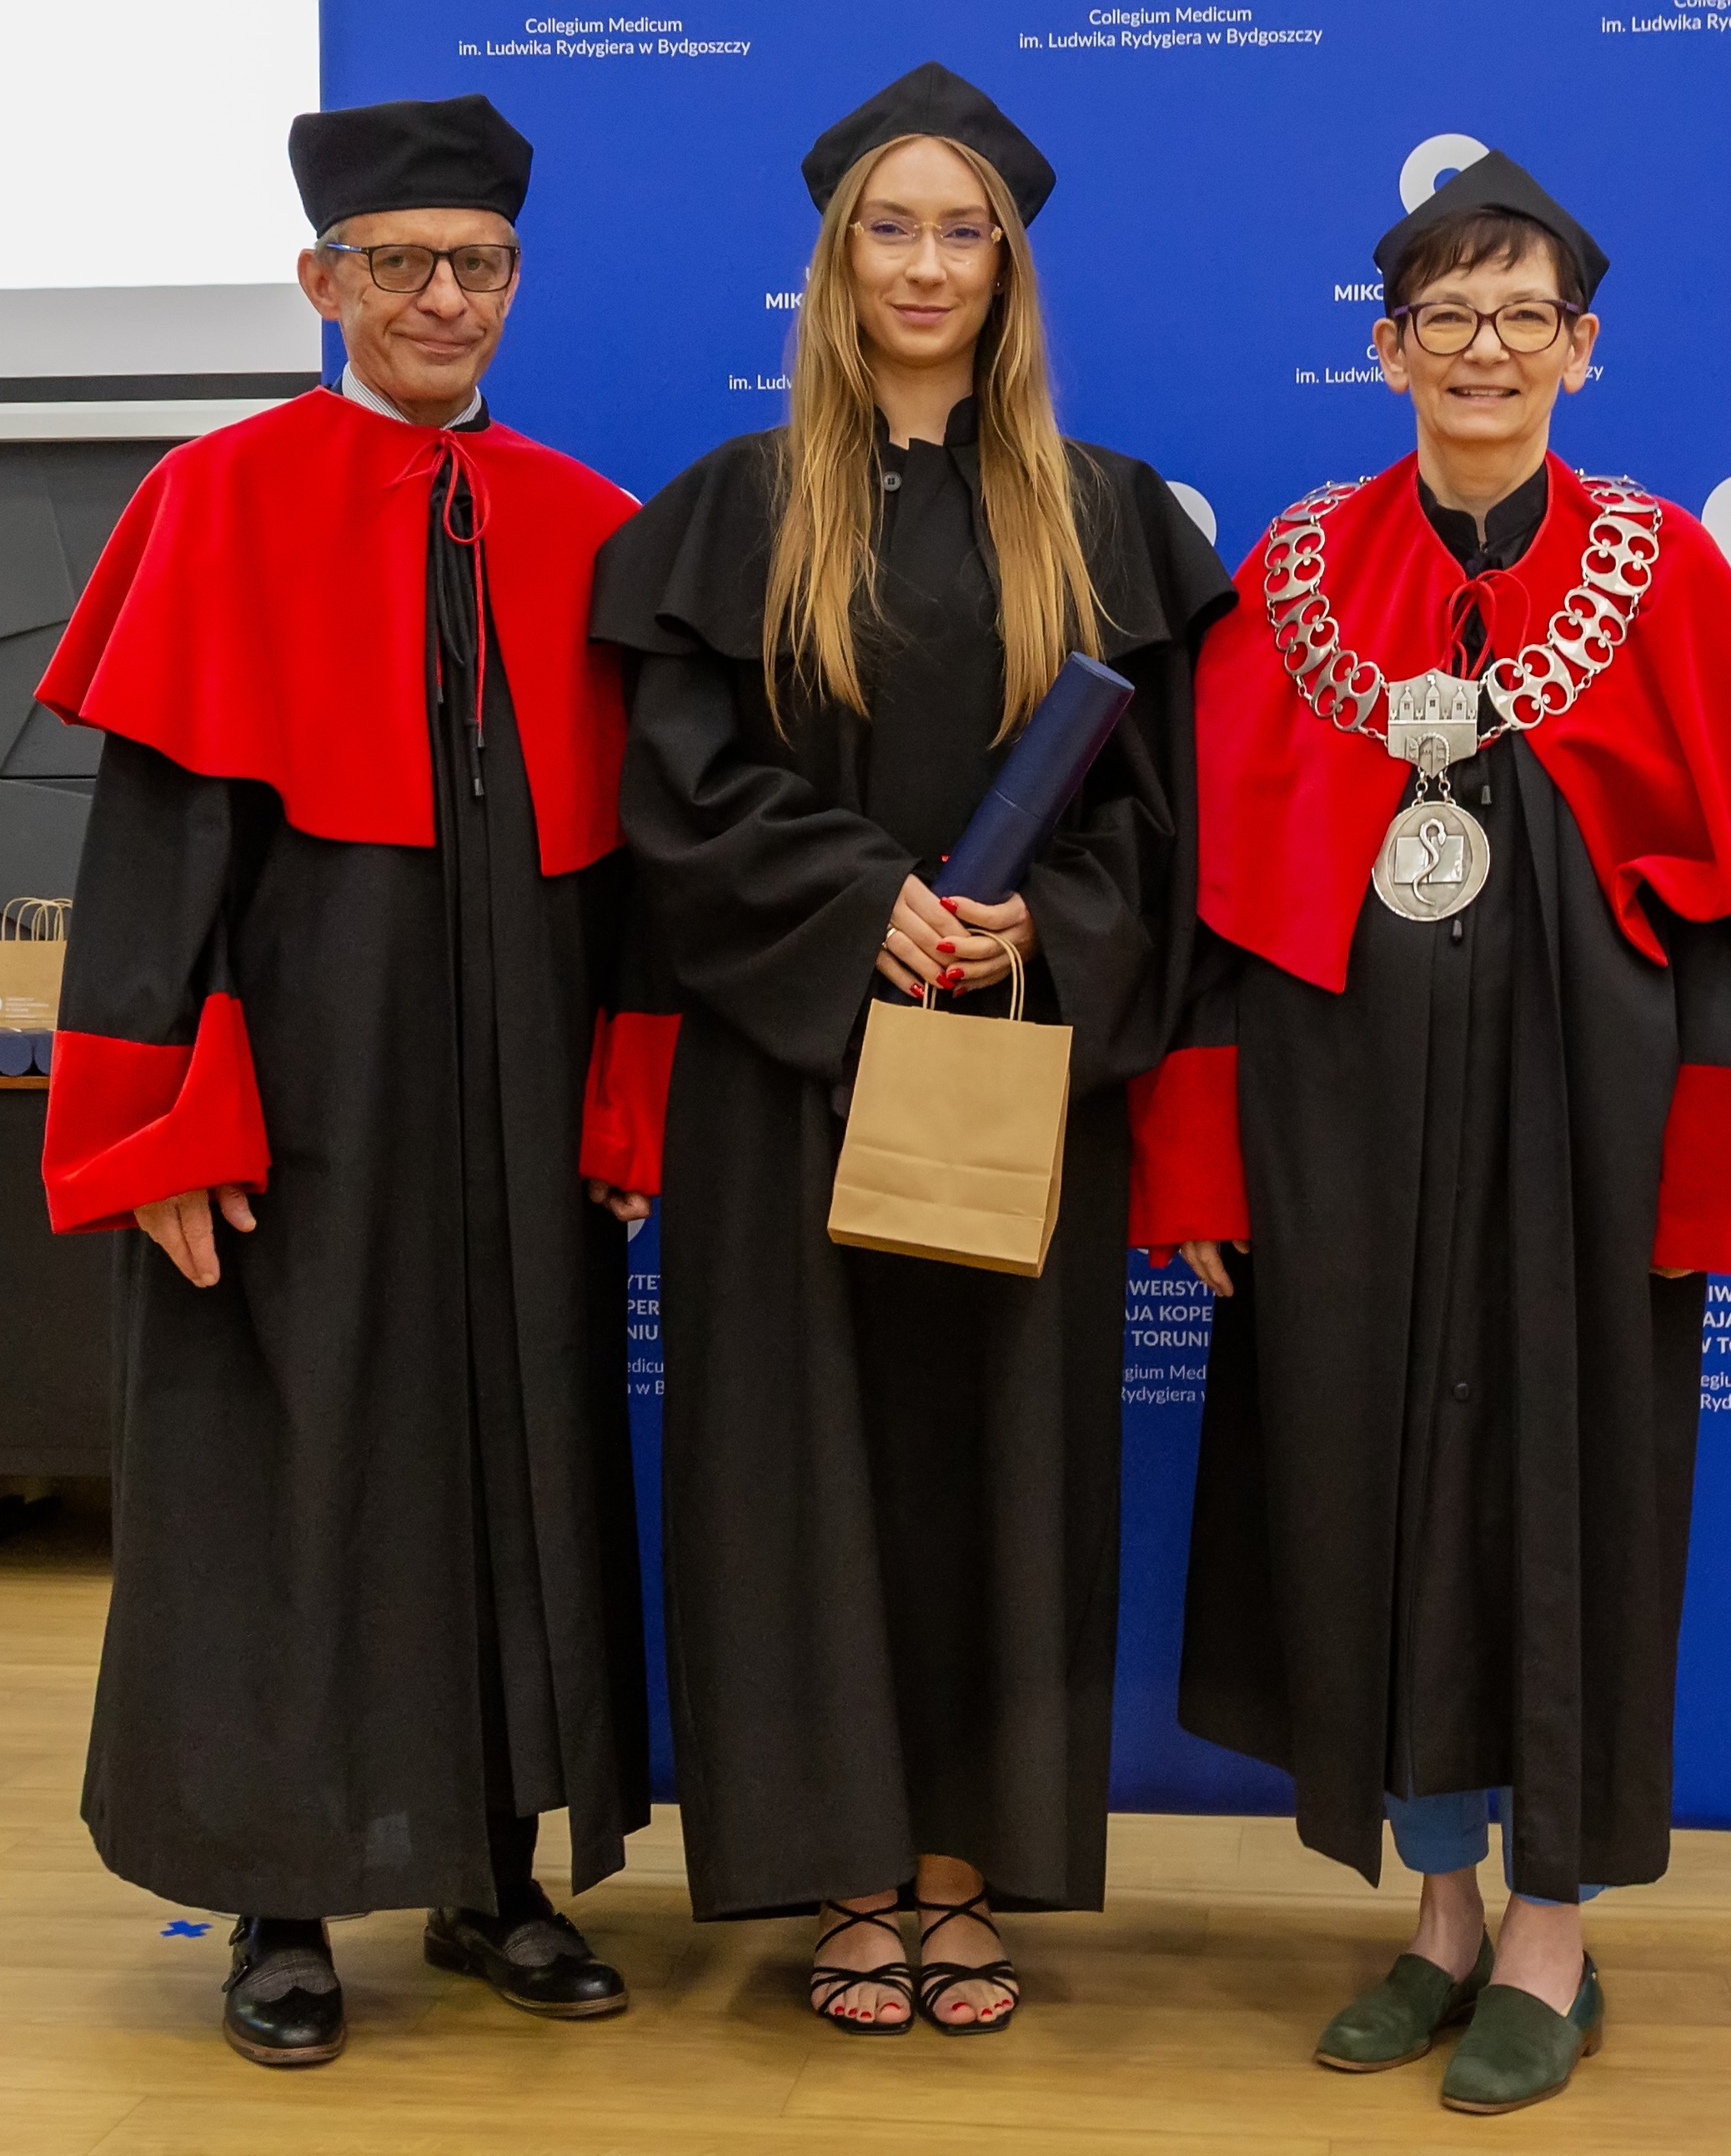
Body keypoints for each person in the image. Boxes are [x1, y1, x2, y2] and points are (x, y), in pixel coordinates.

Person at [1128, 150, 1731, 2113]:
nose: (1483, 350)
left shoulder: (1662, 571)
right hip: (1338, 1125)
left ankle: (1552, 1933)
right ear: (1385, 349)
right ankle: (1438, 1909)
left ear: (1580, 348)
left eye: (1522, 316)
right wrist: (1199, 1154)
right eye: (1445, 315)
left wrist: (1704, 1175)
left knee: (1570, 1505)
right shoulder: (1295, 577)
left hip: (1587, 1134)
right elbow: (1213, 899)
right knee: (1366, 1494)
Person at [579, 62, 1228, 2036]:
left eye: (964, 232)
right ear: (835, 259)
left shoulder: (1104, 516)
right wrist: (861, 897)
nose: (926, 265)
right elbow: (677, 799)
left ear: (1007, 267)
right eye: (892, 228)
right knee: (800, 1475)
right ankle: (844, 1881)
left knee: (998, 1472)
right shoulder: (733, 510)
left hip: (1014, 1069)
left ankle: (963, 1879)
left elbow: (1166, 829)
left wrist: (1052, 920)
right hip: (786, 1077)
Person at [33, 95, 649, 2068]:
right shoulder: (216, 502)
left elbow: (640, 875)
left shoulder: (586, 522)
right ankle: (280, 1900)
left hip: (518, 1093)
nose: (441, 298)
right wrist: (151, 1132)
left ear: (514, 284)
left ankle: (492, 1874)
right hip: (291, 1102)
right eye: (399, 266)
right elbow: (153, 866)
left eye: (477, 265)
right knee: (281, 1477)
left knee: (513, 1459)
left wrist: (625, 1105)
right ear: (324, 281)